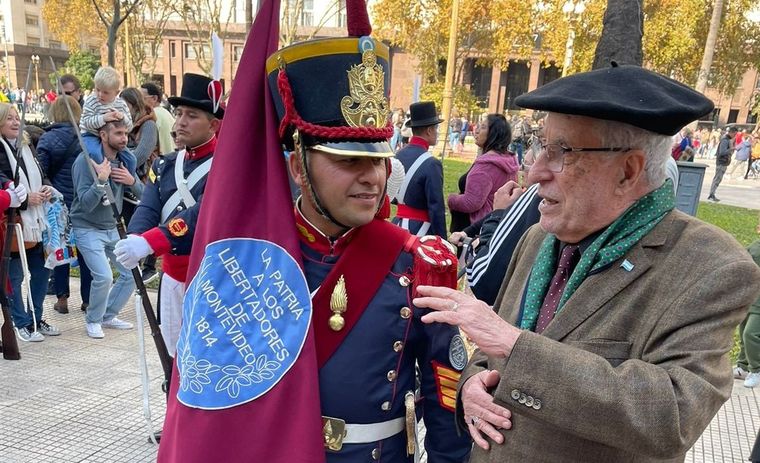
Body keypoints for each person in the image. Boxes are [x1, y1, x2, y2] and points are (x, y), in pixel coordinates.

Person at [156, 9, 472, 460]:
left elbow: (446, 407)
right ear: (298, 167)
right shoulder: (248, 265)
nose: (373, 178)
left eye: (379, 159)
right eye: (348, 161)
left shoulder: (422, 265)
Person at [413, 64, 760, 462]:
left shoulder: (711, 266)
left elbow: (673, 416)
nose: (535, 171)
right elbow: (491, 351)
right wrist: (471, 387)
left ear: (627, 172)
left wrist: (514, 346)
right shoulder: (539, 238)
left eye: (561, 152)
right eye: (540, 146)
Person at [115, 73, 223, 358]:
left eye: (192, 115)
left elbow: (202, 214)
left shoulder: (225, 167)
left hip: (212, 281)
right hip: (172, 276)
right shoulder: (165, 164)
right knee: (173, 354)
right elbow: (149, 207)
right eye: (178, 113)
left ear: (213, 124)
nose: (180, 122)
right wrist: (135, 239)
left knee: (207, 356)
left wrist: (151, 242)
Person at [70, 119, 142, 339]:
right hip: (86, 228)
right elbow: (85, 203)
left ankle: (107, 315)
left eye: (126, 134)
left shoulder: (123, 161)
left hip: (113, 226)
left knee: (132, 273)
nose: (124, 139)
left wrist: (132, 182)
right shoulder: (85, 161)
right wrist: (101, 180)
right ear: (102, 135)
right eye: (118, 133)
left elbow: (144, 195)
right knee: (103, 276)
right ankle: (93, 319)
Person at [0, 103, 53, 342]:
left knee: (42, 270)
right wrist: (24, 200)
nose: (14, 122)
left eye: (15, 117)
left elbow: (40, 173)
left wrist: (46, 188)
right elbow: (4, 183)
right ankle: (20, 322)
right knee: (15, 276)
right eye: (8, 118)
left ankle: (35, 317)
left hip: (37, 219)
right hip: (15, 221)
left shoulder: (26, 145)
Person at [36, 95, 93, 314]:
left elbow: (42, 172)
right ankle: (87, 300)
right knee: (86, 250)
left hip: (59, 204)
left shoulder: (47, 139)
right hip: (83, 200)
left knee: (60, 248)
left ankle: (62, 299)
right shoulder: (86, 137)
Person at [448, 114, 519, 225]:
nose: (477, 131)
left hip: (475, 228)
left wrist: (451, 199)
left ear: (494, 134)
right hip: (497, 222)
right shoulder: (508, 160)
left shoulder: (486, 166)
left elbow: (471, 202)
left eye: (483, 127)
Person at [391, 101, 447, 237]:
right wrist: (443, 240)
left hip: (397, 226)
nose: (437, 132)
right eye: (436, 128)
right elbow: (436, 208)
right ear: (429, 130)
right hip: (421, 230)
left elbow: (392, 195)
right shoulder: (431, 163)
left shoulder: (398, 154)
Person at [119, 87, 159, 226]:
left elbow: (142, 155)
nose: (121, 110)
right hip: (126, 185)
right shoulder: (123, 125)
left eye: (125, 106)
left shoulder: (148, 125)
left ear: (135, 105)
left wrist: (120, 164)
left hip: (143, 181)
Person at [79, 66, 133, 153]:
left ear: (116, 93)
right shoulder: (91, 101)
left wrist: (123, 117)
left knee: (131, 159)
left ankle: (121, 167)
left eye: (105, 92)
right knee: (95, 154)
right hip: (91, 135)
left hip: (112, 138)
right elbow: (86, 122)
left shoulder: (121, 104)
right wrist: (103, 118)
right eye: (97, 90)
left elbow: (130, 127)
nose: (100, 94)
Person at [734, 238, 760, 388]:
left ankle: (756, 370)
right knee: (743, 332)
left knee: (750, 334)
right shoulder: (755, 245)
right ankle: (743, 367)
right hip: (750, 298)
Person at [140, 82, 176, 156]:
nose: (139, 102)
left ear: (154, 98)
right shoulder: (166, 113)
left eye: (142, 98)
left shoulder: (152, 116)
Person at [708, 125, 738, 201]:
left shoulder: (728, 140)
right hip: (721, 162)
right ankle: (711, 194)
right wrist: (731, 149)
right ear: (732, 133)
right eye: (735, 134)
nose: (735, 136)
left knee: (718, 179)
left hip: (724, 162)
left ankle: (712, 193)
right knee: (717, 179)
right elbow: (722, 152)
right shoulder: (725, 140)